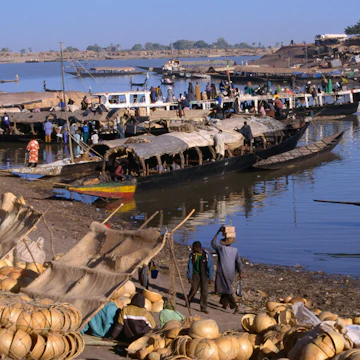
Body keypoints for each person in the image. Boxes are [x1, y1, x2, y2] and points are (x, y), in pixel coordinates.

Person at [211, 226, 242, 313]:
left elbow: (213, 243)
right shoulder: (235, 250)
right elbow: (238, 262)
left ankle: (234, 306)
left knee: (227, 289)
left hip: (223, 272)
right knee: (226, 287)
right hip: (231, 272)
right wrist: (240, 272)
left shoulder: (221, 248)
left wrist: (217, 232)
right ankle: (224, 304)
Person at [187, 241, 214, 314]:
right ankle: (188, 301)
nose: (192, 248)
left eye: (193, 247)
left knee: (204, 292)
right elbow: (190, 266)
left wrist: (211, 277)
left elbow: (210, 266)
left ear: (197, 247)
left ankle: (203, 307)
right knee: (194, 290)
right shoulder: (192, 255)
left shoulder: (206, 255)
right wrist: (189, 276)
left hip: (205, 276)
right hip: (196, 275)